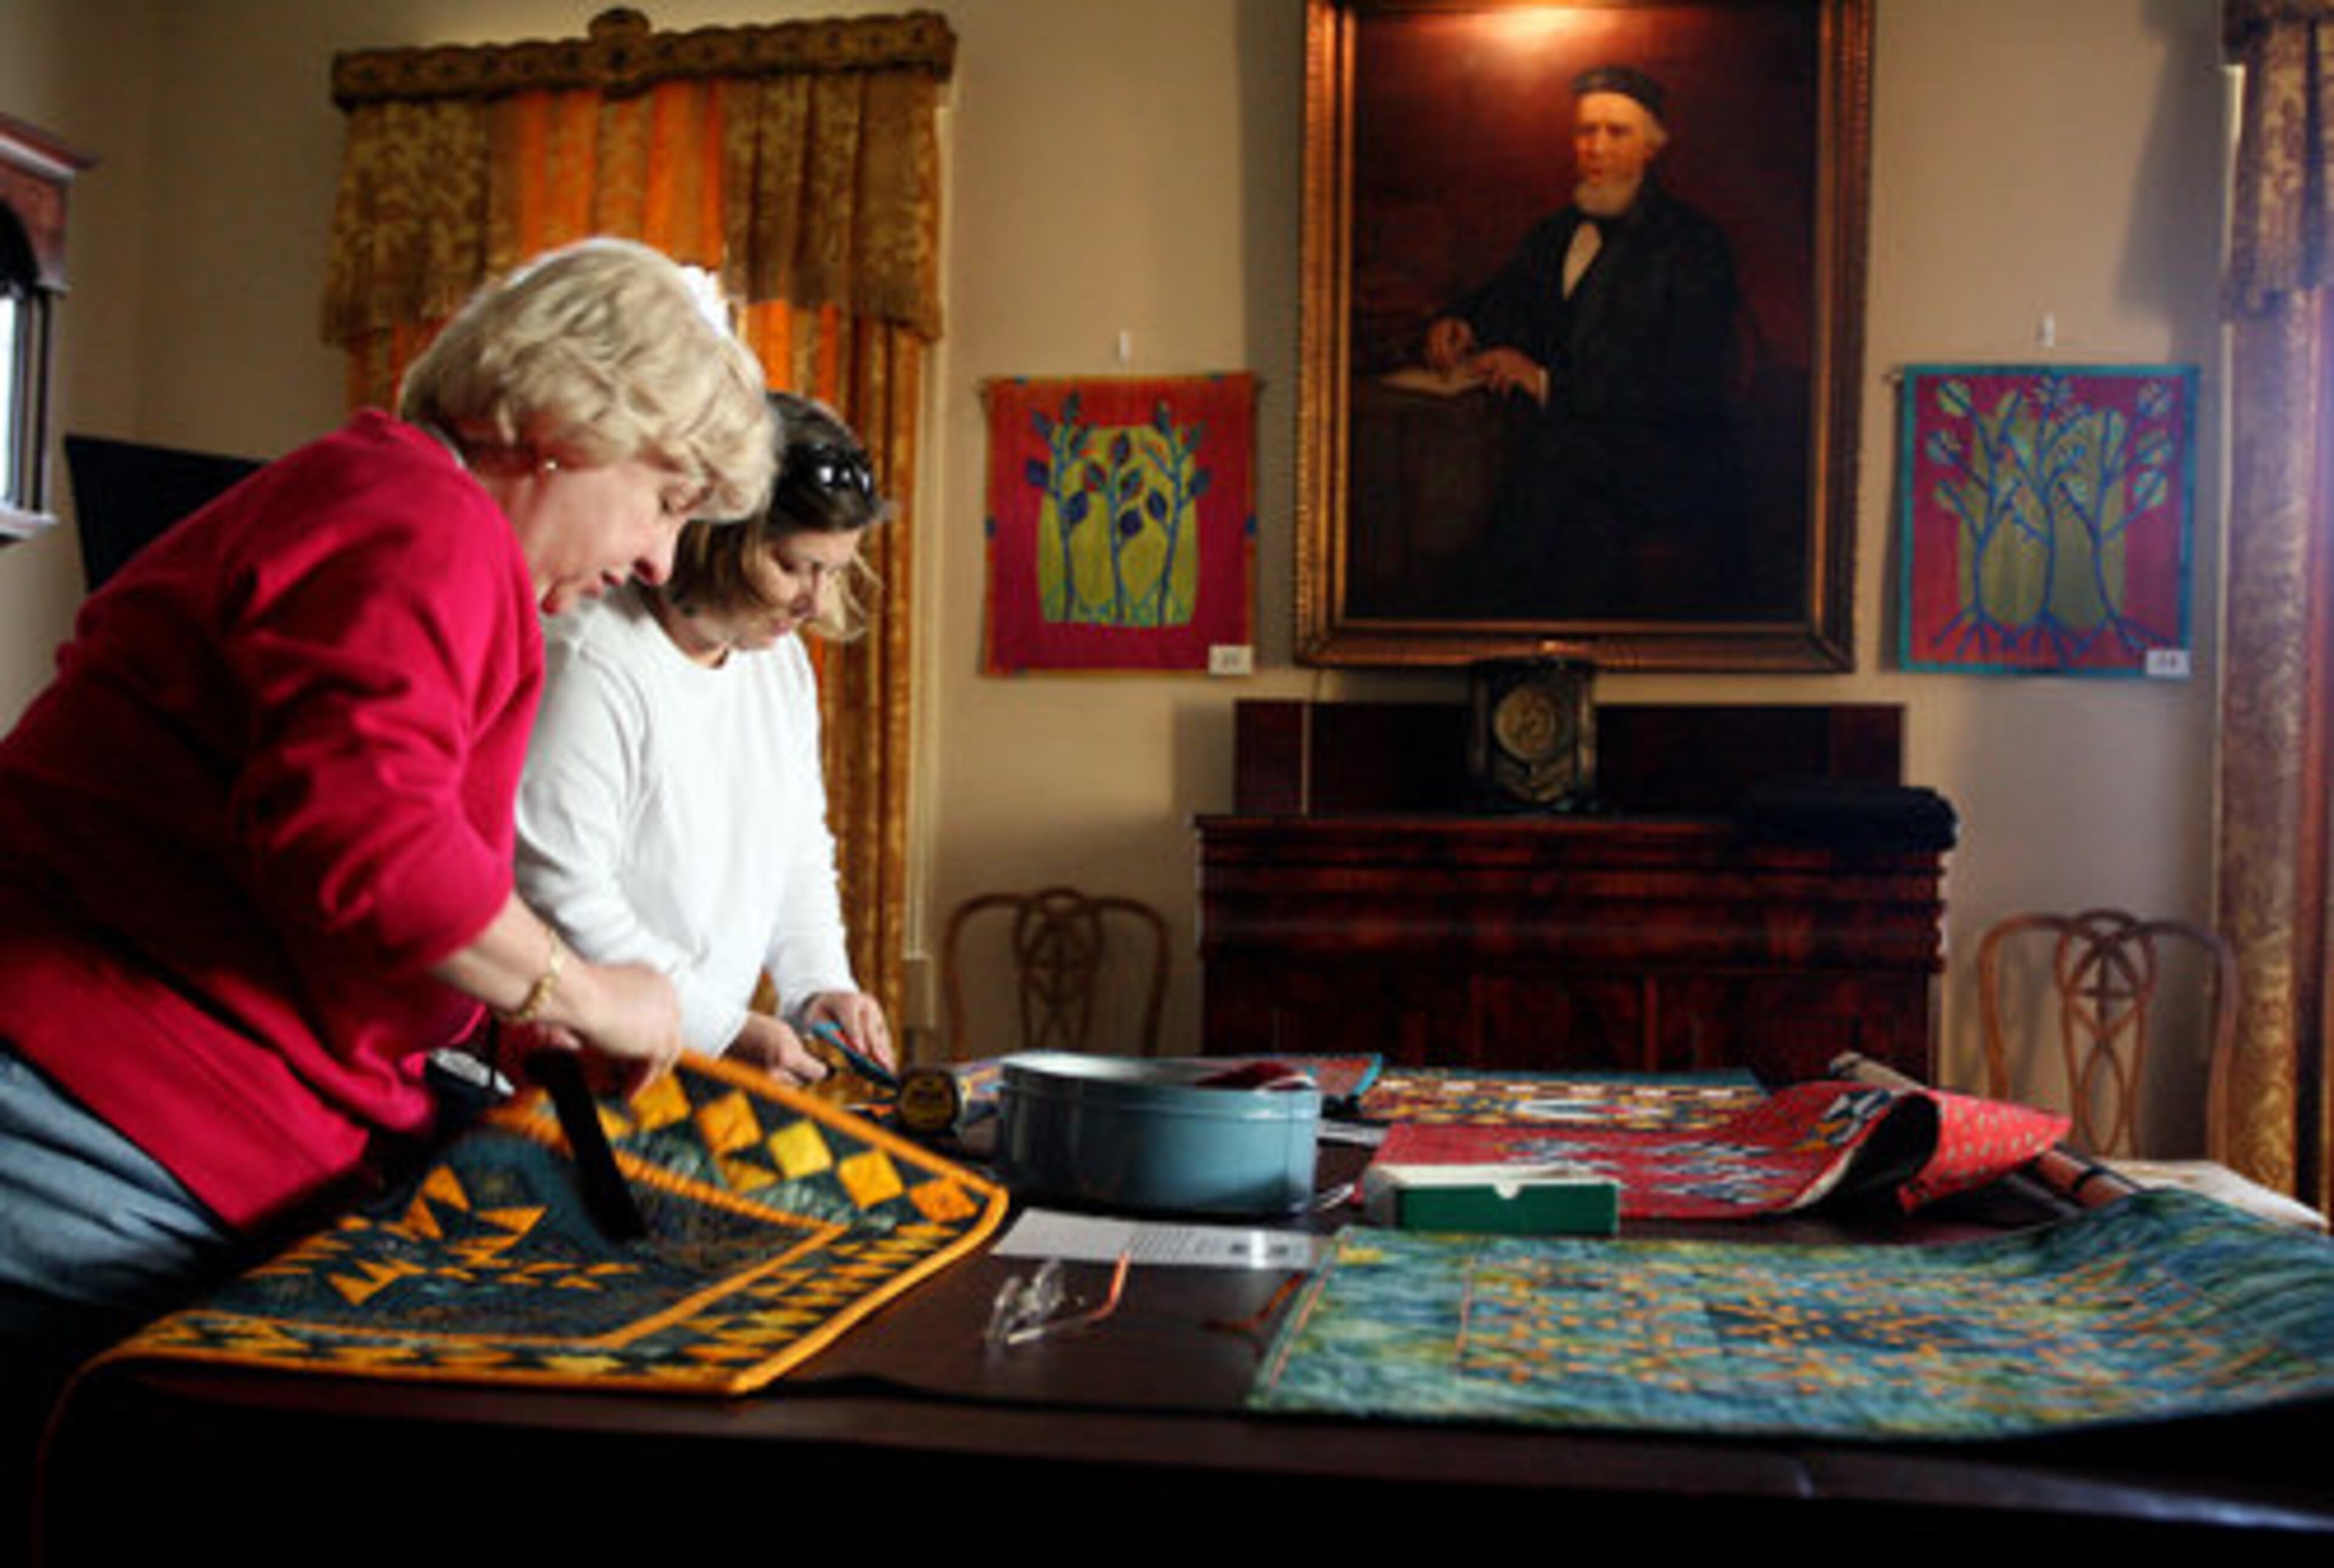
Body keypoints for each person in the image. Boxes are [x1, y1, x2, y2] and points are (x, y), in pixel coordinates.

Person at [0, 238, 775, 1529]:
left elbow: (334, 879)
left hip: (134, 1110)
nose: (658, 558)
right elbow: (364, 838)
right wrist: (585, 992)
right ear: (567, 423)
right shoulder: (421, 518)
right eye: (666, 498)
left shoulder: (400, 510)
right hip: (94, 1112)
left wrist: (501, 1018)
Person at [515, 394, 895, 1091]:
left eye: (834, 572)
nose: (814, 602)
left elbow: (796, 850)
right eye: (793, 566)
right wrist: (723, 1029)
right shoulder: (592, 657)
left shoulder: (780, 664)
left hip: (681, 1059)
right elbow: (558, 894)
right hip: (558, 1067)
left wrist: (819, 985)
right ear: (720, 537)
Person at [1422, 64, 1744, 617]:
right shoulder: (1557, 231)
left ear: (1651, 147)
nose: (1596, 148)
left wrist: (1544, 381)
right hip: (1573, 444)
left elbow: (1686, 382)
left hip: (1661, 453)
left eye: (1616, 133)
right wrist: (1462, 323)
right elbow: (1507, 297)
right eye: (1585, 132)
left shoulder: (1693, 244)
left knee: (1549, 488)